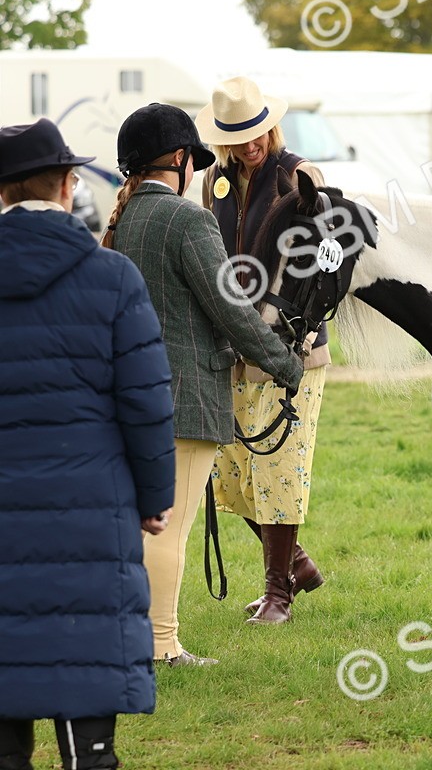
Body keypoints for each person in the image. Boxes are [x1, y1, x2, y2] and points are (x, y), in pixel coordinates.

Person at [0, 119, 174, 770]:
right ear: (70, 186)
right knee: (88, 752)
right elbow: (148, 402)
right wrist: (155, 498)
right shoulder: (113, 279)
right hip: (92, 526)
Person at [105, 103, 304, 663]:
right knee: (169, 531)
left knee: (141, 528)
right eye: (191, 157)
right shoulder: (186, 219)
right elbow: (232, 310)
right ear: (178, 160)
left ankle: (133, 637)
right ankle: (162, 645)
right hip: (185, 396)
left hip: (131, 395)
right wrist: (286, 364)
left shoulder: (128, 220)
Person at [198, 77, 330, 624]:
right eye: (238, 137)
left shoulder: (301, 176)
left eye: (257, 134)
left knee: (278, 466)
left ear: (271, 127)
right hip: (231, 340)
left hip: (288, 345)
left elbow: (326, 260)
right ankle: (295, 562)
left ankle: (279, 592)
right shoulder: (213, 181)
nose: (250, 145)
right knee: (230, 470)